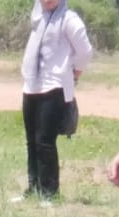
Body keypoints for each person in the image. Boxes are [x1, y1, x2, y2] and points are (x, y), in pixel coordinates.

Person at [20, 0, 91, 201]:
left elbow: (85, 51)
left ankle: (50, 193)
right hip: (32, 85)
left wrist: (75, 73)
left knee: (45, 141)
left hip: (54, 86)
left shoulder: (69, 19)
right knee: (31, 141)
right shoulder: (38, 17)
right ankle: (33, 188)